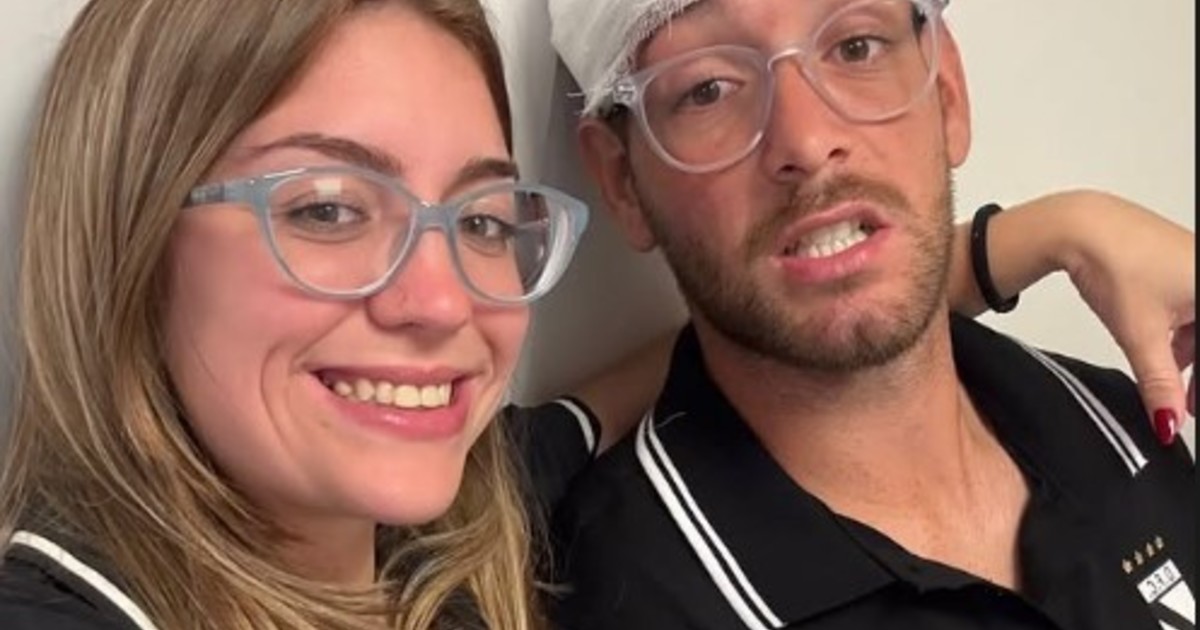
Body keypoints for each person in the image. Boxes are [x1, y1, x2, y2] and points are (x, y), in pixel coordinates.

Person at [0, 0, 1192, 629]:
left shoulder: (457, 520)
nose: (441, 305)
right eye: (324, 209)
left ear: (948, 89)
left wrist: (1047, 233)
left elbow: (737, 339)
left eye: (480, 221)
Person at [546, 0, 1196, 628]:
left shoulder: (1120, 423)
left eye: (856, 46)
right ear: (622, 183)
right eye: (709, 89)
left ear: (946, 91)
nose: (808, 141)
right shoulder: (626, 602)